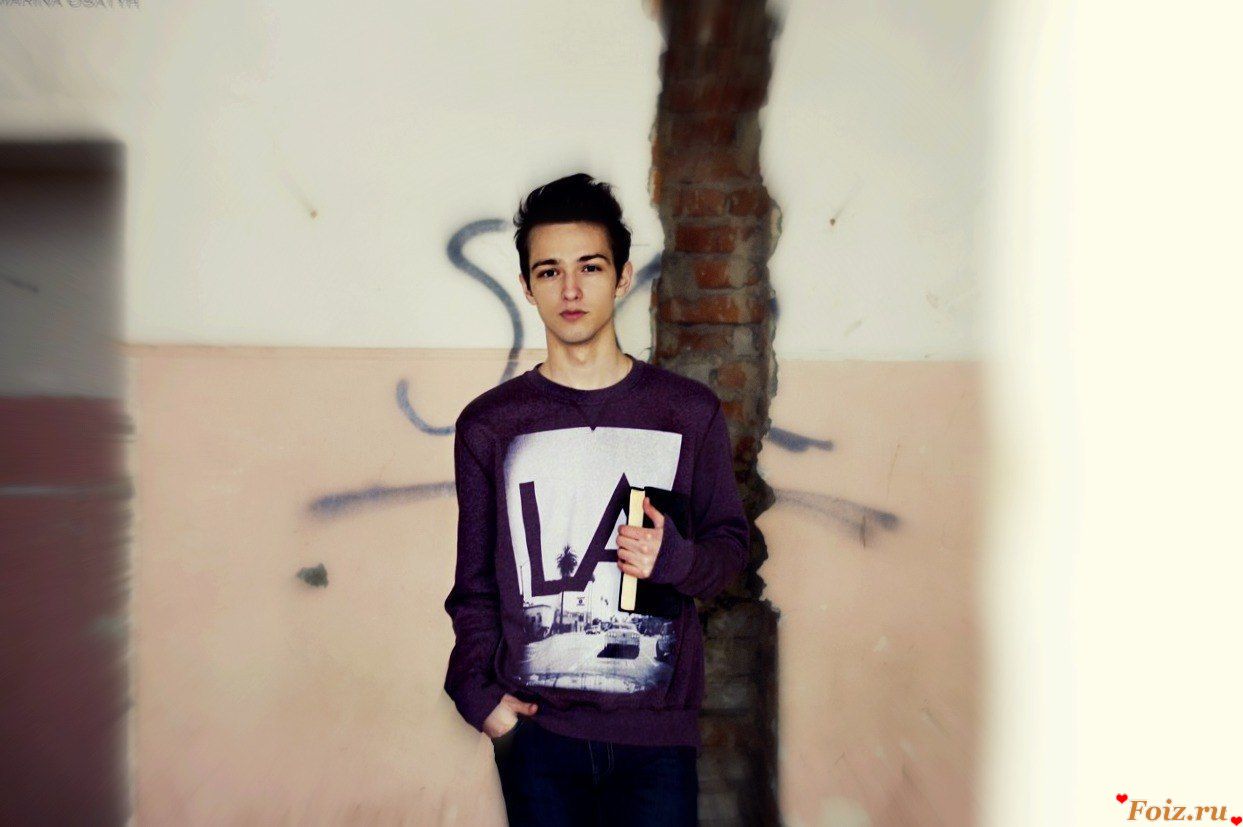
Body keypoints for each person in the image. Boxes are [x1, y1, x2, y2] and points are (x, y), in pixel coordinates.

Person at [443, 173, 751, 826]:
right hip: (537, 737)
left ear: (622, 277)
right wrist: (477, 694)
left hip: (656, 740)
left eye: (589, 267)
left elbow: (731, 551)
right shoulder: (490, 424)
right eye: (549, 271)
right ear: (527, 286)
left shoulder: (685, 411)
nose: (571, 289)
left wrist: (675, 560)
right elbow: (474, 583)